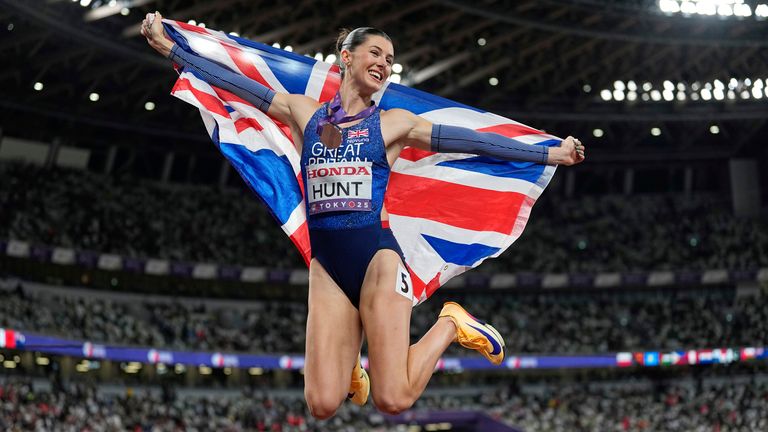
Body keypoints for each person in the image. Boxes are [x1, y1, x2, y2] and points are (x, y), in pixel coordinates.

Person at [141, 13, 585, 418]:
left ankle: (451, 323)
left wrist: (547, 153)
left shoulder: (395, 123)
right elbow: (237, 86)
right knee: (320, 404)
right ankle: (350, 357)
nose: (384, 63)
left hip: (377, 260)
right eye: (375, 53)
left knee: (393, 399)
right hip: (327, 266)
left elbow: (473, 141)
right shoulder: (303, 112)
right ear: (346, 57)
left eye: (390, 59)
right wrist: (173, 52)